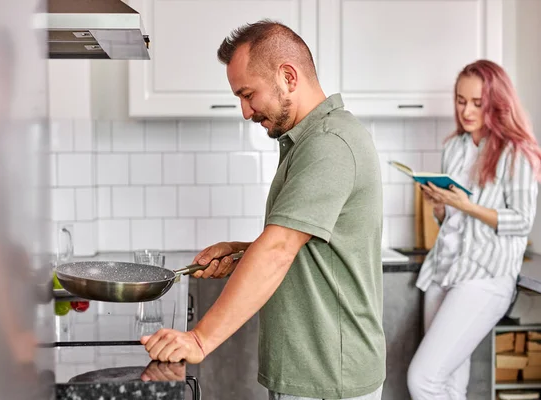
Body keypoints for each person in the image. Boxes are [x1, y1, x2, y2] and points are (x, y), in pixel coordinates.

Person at [141, 20, 385, 400]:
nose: (245, 111)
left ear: (288, 76)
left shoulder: (329, 144)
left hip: (328, 378)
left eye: (248, 94)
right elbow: (304, 244)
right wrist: (243, 251)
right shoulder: (307, 142)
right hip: (310, 372)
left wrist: (199, 340)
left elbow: (279, 249)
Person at [407, 59, 541, 400]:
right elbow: (451, 220)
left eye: (478, 103)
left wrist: (466, 206)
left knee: (422, 379)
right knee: (449, 384)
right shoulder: (454, 147)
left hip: (485, 276)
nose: (466, 110)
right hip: (444, 269)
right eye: (460, 100)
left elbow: (522, 220)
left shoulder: (516, 153)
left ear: (496, 103)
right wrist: (440, 205)